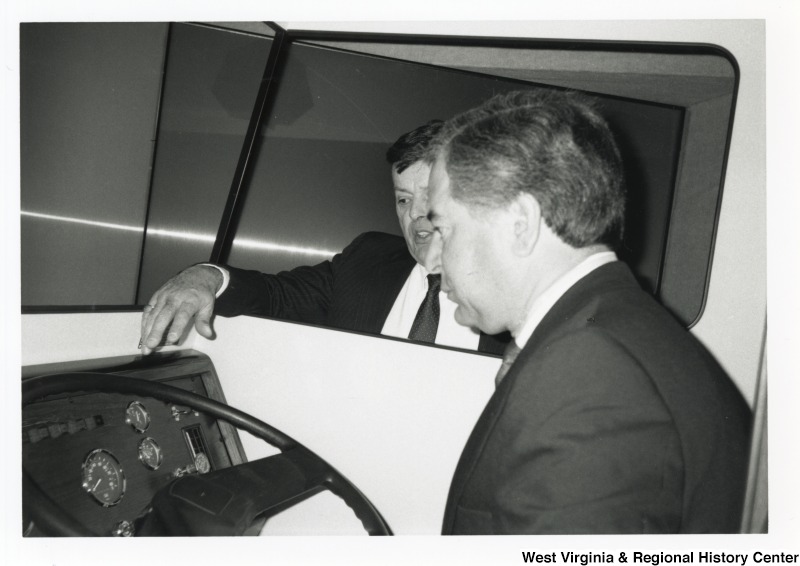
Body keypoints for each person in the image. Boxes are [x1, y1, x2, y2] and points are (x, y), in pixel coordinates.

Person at [425, 89, 752, 534]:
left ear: (520, 224)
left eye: (443, 228)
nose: (433, 260)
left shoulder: (590, 372)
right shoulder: (603, 330)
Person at [139, 120, 509, 356]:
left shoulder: (514, 288)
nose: (414, 214)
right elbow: (276, 295)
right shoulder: (367, 259)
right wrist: (206, 277)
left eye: (429, 195)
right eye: (403, 199)